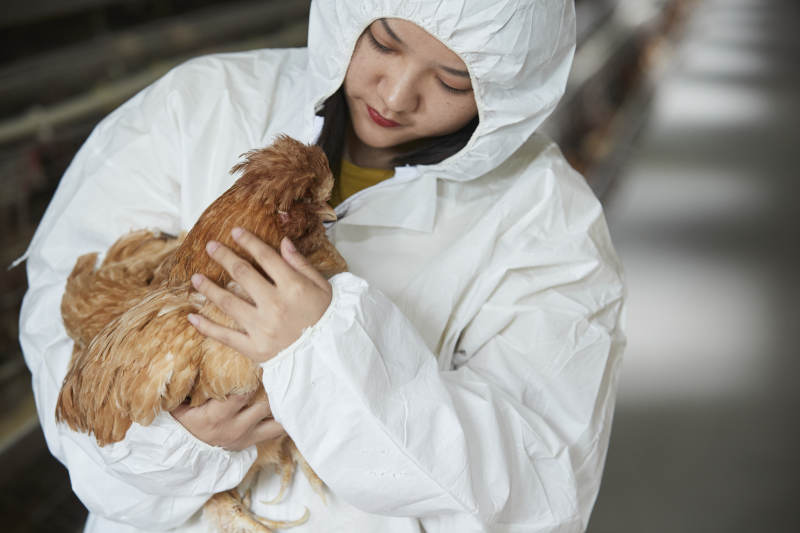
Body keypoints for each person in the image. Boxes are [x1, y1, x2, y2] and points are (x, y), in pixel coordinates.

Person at [18, 0, 626, 531]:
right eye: (384, 42)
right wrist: (178, 443)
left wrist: (326, 352)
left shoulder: (545, 221)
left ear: (506, 87)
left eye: (452, 80)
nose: (395, 94)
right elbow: (62, 333)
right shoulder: (200, 107)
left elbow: (536, 494)